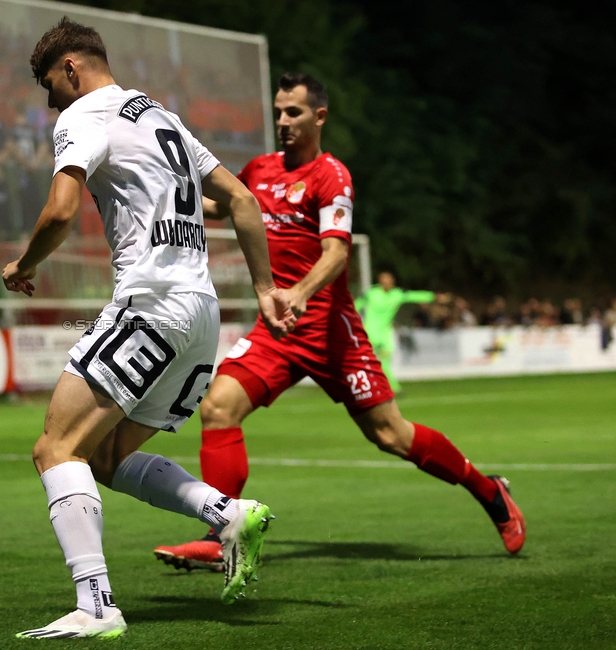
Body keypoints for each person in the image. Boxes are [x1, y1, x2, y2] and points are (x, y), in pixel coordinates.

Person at [153, 73, 526, 574]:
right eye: (279, 112)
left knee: (392, 436)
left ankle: (490, 491)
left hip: (330, 332)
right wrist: (160, 198)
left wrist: (299, 295)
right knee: (218, 407)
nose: (283, 121)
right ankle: (225, 534)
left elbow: (336, 252)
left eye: (294, 113)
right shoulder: (260, 170)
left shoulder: (333, 176)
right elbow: (222, 206)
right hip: (277, 331)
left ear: (319, 117)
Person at [3, 18, 291, 640]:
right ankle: (226, 515)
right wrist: (265, 289)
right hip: (201, 315)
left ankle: (97, 604)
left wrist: (23, 265)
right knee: (102, 456)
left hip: (152, 302)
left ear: (72, 69)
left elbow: (59, 211)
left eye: (49, 83)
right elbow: (240, 199)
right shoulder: (161, 117)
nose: (50, 99)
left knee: (55, 448)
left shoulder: (83, 116)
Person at [354, 271, 438, 392]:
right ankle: (393, 387)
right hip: (370, 332)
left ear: (393, 282)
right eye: (384, 281)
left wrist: (434, 296)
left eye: (389, 281)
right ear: (380, 283)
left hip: (386, 334)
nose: (387, 284)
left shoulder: (396, 294)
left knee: (384, 361)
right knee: (372, 360)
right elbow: (356, 305)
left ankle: (385, 386)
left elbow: (414, 296)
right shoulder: (371, 293)